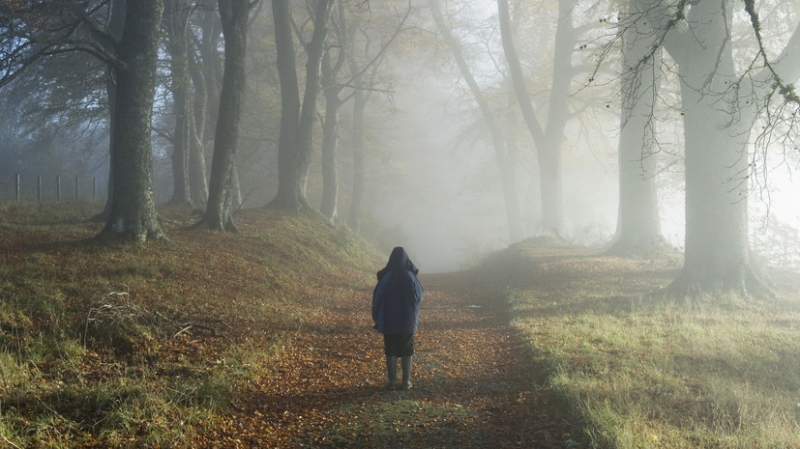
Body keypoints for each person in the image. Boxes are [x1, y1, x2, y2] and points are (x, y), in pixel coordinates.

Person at [372, 247, 423, 390]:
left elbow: (377, 297)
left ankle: (392, 382)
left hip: (389, 319)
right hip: (407, 319)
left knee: (391, 348)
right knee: (407, 348)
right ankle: (406, 381)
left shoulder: (386, 277)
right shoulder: (411, 276)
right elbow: (419, 297)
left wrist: (375, 315)